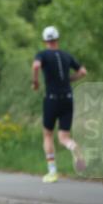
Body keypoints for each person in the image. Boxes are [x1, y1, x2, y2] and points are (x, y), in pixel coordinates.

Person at [33, 25, 87, 183]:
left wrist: (35, 82)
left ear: (45, 41)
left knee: (48, 134)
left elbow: (36, 66)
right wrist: (69, 80)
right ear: (57, 39)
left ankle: (52, 171)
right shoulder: (66, 55)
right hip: (68, 98)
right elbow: (83, 72)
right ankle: (74, 148)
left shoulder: (42, 54)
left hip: (52, 99)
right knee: (64, 137)